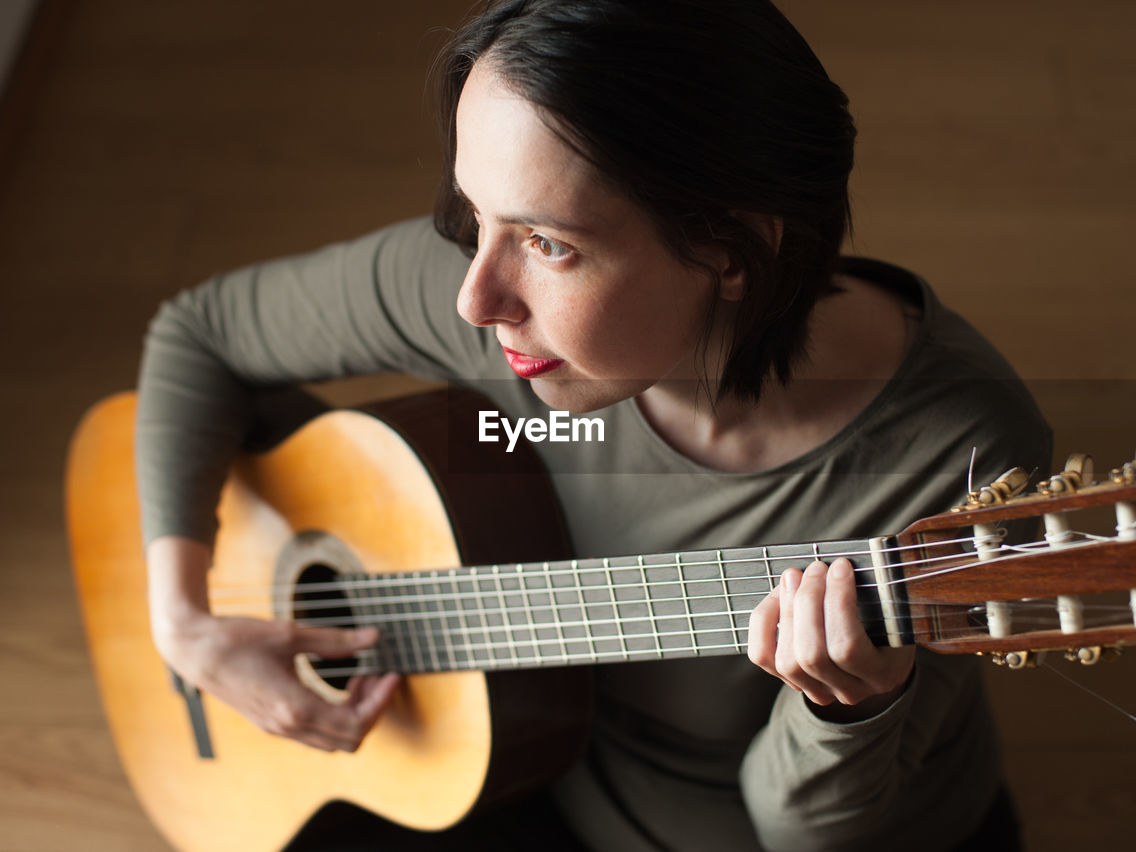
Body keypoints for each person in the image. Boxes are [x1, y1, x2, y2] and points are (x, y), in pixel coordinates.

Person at [136, 1, 1050, 849]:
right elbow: (200, 335)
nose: (473, 298)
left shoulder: (961, 456)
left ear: (732, 250)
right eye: (475, 216)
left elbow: (803, 832)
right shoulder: (498, 300)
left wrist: (847, 708)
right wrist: (184, 621)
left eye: (549, 245)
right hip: (518, 749)